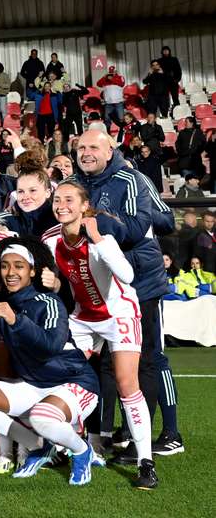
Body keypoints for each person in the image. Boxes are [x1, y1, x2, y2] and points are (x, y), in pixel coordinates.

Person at [69, 129, 181, 463]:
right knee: (110, 361)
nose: (86, 152)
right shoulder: (76, 182)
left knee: (149, 357)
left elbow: (156, 222)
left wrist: (95, 224)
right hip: (101, 284)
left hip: (140, 281)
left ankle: (162, 436)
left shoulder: (131, 179)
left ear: (109, 150)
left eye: (94, 147)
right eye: (81, 147)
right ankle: (114, 432)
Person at [0, 237, 104, 486]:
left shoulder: (49, 302)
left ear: (32, 271)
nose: (11, 272)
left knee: (42, 417)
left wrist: (16, 321)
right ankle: (37, 445)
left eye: (19, 266)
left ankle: (82, 451)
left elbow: (49, 346)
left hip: (73, 382)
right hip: (34, 384)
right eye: (5, 266)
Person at [43, 182, 156, 488]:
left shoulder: (99, 236)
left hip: (118, 313)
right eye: (57, 199)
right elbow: (52, 279)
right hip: (82, 318)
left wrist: (98, 239)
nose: (62, 204)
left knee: (126, 383)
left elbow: (128, 276)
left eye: (70, 199)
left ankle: (146, 462)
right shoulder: (50, 239)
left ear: (84, 206)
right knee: (66, 378)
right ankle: (73, 444)